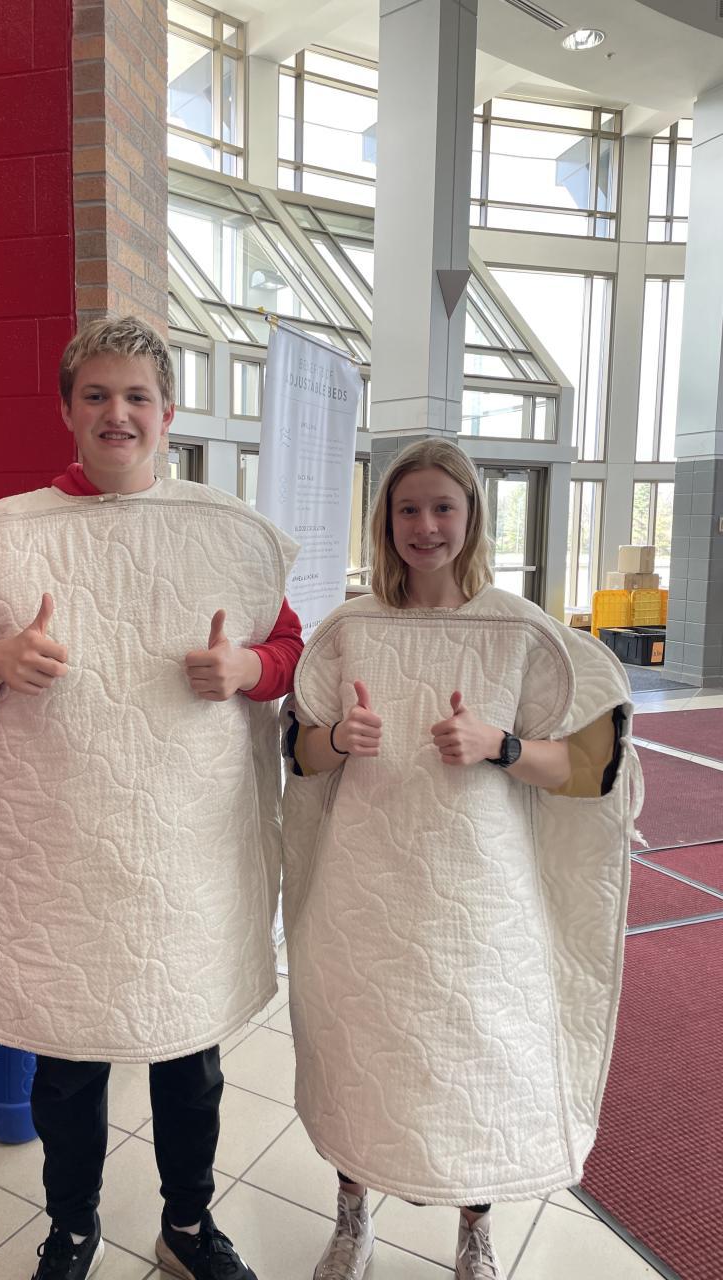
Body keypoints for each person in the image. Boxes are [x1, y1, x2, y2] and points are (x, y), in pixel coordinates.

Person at [0, 315, 303, 1280]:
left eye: (137, 396)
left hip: (185, 850)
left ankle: (187, 1225)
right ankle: (73, 1227)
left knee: (189, 1056)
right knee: (67, 1057)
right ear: (66, 409)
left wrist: (247, 667)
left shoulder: (228, 539)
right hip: (65, 853)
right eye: (96, 395)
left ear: (169, 414)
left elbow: (290, 650)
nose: (116, 413)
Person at [280, 439, 641, 1280]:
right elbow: (299, 755)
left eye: (443, 507)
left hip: (479, 895)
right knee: (359, 1047)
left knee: (472, 1054)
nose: (425, 526)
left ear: (473, 516)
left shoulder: (520, 631)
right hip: (365, 887)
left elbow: (589, 767)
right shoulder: (349, 630)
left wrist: (500, 744)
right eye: (407, 508)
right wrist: (340, 738)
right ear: (385, 521)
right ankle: (352, 1216)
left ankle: (474, 1230)